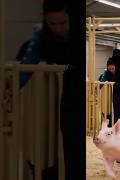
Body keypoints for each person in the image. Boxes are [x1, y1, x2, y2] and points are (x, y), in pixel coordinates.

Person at [18, 1, 84, 179]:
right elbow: (27, 66)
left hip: (77, 90)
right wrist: (12, 88)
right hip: (64, 96)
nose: (58, 28)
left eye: (62, 23)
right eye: (52, 24)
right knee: (64, 142)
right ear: (45, 20)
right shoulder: (41, 36)